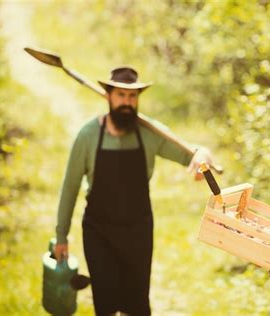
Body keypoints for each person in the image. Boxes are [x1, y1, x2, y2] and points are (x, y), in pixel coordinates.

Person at [54, 66, 214, 315]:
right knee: (105, 302)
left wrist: (203, 153)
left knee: (137, 304)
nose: (127, 102)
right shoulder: (88, 136)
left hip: (138, 232)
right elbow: (70, 188)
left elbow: (191, 154)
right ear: (108, 96)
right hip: (99, 232)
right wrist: (61, 235)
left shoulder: (149, 134)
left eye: (132, 96)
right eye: (121, 95)